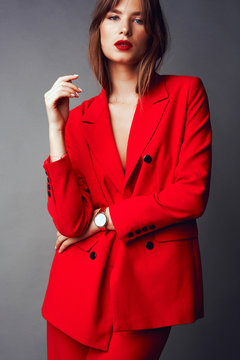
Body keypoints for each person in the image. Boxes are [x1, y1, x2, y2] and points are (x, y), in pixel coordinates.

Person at [42, 0, 212, 358]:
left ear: (154, 34)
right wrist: (57, 130)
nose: (125, 29)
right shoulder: (80, 119)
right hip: (75, 290)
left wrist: (104, 219)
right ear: (99, 30)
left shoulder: (185, 94)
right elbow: (71, 223)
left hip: (145, 288)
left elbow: (191, 194)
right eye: (114, 17)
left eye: (139, 19)